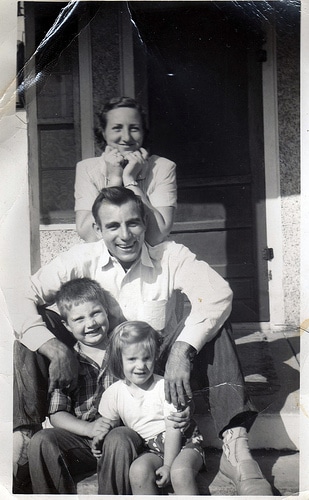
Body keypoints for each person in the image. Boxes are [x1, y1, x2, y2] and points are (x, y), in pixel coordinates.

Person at [13, 186, 273, 495]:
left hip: (154, 360)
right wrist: (53, 347)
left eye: (133, 222)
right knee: (31, 333)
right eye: (113, 226)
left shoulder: (170, 255)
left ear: (144, 223)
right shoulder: (81, 258)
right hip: (98, 362)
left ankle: (235, 446)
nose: (125, 235)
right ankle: (26, 438)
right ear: (98, 229)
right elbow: (19, 297)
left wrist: (181, 350)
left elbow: (219, 294)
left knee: (216, 322)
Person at [92, 321, 204, 495]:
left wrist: (168, 465)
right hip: (151, 448)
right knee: (138, 471)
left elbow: (173, 429)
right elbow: (108, 424)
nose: (141, 366)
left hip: (183, 444)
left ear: (155, 356)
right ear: (118, 359)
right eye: (132, 359)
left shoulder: (164, 387)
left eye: (147, 358)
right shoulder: (113, 393)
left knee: (179, 473)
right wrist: (99, 439)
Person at [27, 278, 113, 493]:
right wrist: (89, 429)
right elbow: (56, 414)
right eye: (79, 319)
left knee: (119, 440)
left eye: (95, 313)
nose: (90, 324)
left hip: (118, 438)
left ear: (107, 311)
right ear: (67, 325)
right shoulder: (67, 361)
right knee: (42, 441)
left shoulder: (124, 350)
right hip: (82, 441)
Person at [74, 96, 177, 245]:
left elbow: (156, 235)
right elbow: (89, 235)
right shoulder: (87, 169)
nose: (126, 137)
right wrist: (115, 180)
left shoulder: (163, 167)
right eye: (117, 128)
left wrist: (129, 180)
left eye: (134, 128)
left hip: (151, 257)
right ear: (103, 133)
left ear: (143, 132)